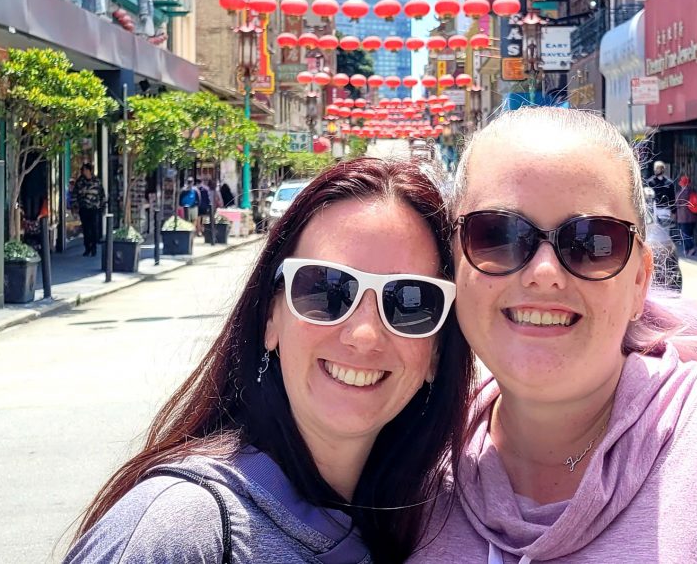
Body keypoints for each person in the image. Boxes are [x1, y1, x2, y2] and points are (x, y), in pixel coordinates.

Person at [410, 107, 697, 563]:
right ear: (451, 265)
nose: (544, 273)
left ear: (639, 281)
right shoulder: (408, 464)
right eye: (497, 234)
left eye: (593, 242)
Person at [67, 159, 473, 564]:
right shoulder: (181, 533)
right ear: (270, 318)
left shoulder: (438, 523)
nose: (364, 334)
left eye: (409, 302)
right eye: (327, 290)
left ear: (437, 350)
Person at [74, 164, 105, 258]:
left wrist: (102, 207)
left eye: (85, 170)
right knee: (86, 229)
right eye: (83, 170)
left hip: (94, 208)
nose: (84, 172)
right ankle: (87, 248)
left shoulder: (97, 181)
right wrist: (75, 206)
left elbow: (102, 194)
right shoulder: (80, 181)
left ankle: (94, 247)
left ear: (89, 171)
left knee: (94, 228)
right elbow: (75, 194)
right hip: (84, 208)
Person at [675, 174, 697, 257]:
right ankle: (687, 250)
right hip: (693, 217)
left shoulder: (681, 194)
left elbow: (677, 203)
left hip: (683, 218)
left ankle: (691, 248)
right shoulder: (693, 192)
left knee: (684, 234)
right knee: (689, 234)